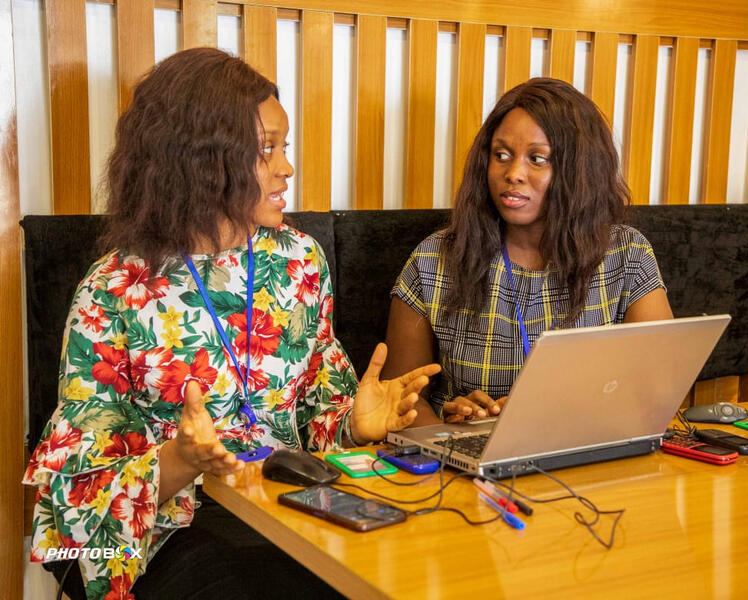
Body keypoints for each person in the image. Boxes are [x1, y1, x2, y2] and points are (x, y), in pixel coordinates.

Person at [23, 48, 438, 600]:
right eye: (265, 149)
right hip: (168, 528)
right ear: (201, 159)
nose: (286, 168)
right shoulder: (113, 289)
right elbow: (74, 506)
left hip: (287, 505)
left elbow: (317, 422)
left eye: (284, 147)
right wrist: (179, 460)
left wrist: (355, 428)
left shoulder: (299, 260)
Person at [383, 77, 672, 424]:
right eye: (501, 155)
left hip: (590, 445)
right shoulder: (434, 260)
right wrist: (451, 435)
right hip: (466, 454)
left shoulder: (626, 254)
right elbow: (399, 403)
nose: (513, 173)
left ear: (580, 170)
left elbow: (658, 388)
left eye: (537, 159)